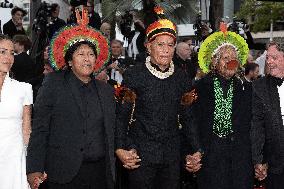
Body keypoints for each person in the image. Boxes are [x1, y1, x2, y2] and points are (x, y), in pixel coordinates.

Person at [26, 8, 115, 189]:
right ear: (69, 61)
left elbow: (113, 131)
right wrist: (34, 168)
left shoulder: (106, 90)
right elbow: (40, 128)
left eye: (91, 54)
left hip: (99, 174)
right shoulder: (53, 83)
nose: (87, 59)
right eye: (81, 54)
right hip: (62, 174)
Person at [115, 6, 194, 189]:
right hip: (140, 157)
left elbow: (188, 118)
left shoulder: (182, 78)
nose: (166, 50)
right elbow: (122, 117)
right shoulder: (134, 75)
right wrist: (120, 148)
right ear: (148, 46)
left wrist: (196, 150)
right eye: (160, 44)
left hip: (172, 158)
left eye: (170, 44)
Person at [186, 22, 254, 189]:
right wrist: (194, 151)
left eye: (234, 58)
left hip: (239, 156)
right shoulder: (199, 87)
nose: (231, 61)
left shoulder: (246, 88)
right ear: (214, 62)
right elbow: (190, 121)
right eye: (225, 58)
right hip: (210, 154)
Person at [0, 34, 32, 188]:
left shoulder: (23, 88)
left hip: (14, 158)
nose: (8, 57)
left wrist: (32, 165)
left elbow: (27, 130)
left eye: (12, 53)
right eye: (2, 52)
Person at [251, 41, 284, 189]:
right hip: (275, 163)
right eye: (268, 57)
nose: (269, 62)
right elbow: (257, 126)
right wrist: (258, 159)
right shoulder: (259, 87)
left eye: (274, 58)